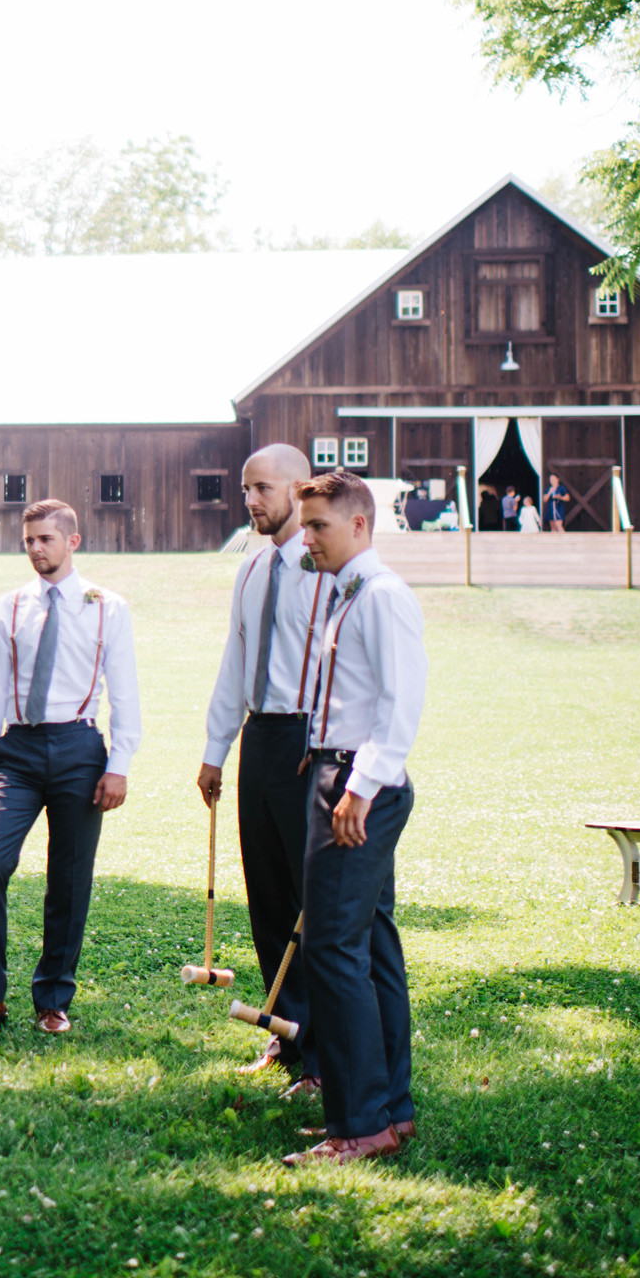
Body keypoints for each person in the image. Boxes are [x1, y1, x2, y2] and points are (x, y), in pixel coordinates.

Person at [282, 472, 427, 1167]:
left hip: (359, 785)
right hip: (339, 773)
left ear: (360, 525)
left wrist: (359, 789)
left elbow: (401, 706)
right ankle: (389, 1111)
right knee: (369, 947)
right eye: (305, 526)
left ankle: (360, 1125)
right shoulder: (349, 592)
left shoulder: (385, 596)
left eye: (318, 527)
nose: (306, 538)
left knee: (332, 951)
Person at [0, 498, 142, 1036]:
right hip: (16, 751)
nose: (36, 548)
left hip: (81, 751)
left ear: (72, 541)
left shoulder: (108, 606)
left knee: (68, 877)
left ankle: (53, 998)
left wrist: (120, 764)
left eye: (46, 539)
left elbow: (125, 693)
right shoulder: (8, 607)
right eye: (29, 539)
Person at [198, 445, 323, 1089]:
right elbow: (234, 660)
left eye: (263, 488)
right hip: (261, 740)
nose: (250, 501)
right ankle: (287, 1038)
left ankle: (327, 1052)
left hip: (311, 739)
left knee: (313, 903)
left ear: (298, 489)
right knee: (268, 897)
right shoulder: (250, 568)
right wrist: (215, 750)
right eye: (245, 489)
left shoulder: (323, 562)